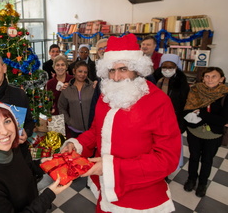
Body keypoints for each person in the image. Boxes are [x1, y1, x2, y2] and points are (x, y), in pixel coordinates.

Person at [62, 33, 181, 212]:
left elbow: (167, 159)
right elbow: (96, 131)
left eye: (123, 69)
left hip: (140, 196)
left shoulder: (158, 101)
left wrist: (111, 168)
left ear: (137, 69)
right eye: (111, 70)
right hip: (106, 189)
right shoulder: (106, 95)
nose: (116, 77)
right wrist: (76, 144)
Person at [0, 100, 71, 213]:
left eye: (7, 121)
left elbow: (24, 169)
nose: (4, 131)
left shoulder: (12, 150)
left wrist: (42, 163)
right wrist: (48, 195)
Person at [183, 67, 228, 197]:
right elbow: (187, 110)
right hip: (194, 131)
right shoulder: (195, 90)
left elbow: (223, 120)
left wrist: (201, 113)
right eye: (207, 76)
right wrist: (208, 117)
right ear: (202, 78)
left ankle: (202, 183)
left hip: (213, 134)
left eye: (214, 76)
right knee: (194, 157)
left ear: (221, 79)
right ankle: (191, 179)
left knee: (207, 159)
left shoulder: (225, 94)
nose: (209, 79)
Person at [153, 54, 190, 134]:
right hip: (155, 116)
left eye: (171, 67)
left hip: (174, 117)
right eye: (164, 67)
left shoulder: (182, 82)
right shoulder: (154, 79)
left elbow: (184, 102)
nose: (167, 70)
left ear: (176, 67)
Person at [58, 61, 94, 138]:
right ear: (74, 71)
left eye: (85, 72)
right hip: (74, 130)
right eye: (80, 71)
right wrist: (69, 121)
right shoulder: (66, 88)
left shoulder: (93, 87)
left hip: (92, 129)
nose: (82, 74)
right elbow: (61, 107)